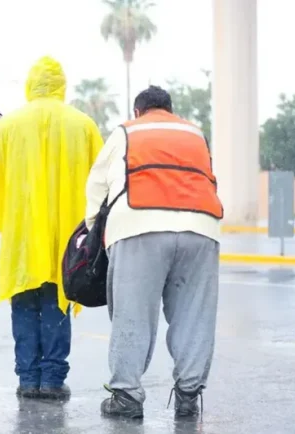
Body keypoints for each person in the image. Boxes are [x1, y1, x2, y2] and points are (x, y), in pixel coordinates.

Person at [85, 86, 222, 419]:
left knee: (133, 315)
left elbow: (97, 186)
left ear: (138, 111)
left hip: (139, 223)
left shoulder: (126, 131)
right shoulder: (195, 134)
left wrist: (94, 231)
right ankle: (189, 395)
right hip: (200, 228)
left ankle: (127, 397)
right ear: (170, 110)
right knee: (194, 316)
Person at [0, 56, 104, 400]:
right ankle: (51, 380)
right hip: (65, 236)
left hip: (23, 236)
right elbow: (101, 182)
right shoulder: (83, 125)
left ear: (30, 84)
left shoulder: (8, 125)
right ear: (62, 84)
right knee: (56, 302)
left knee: (25, 304)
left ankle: (27, 378)